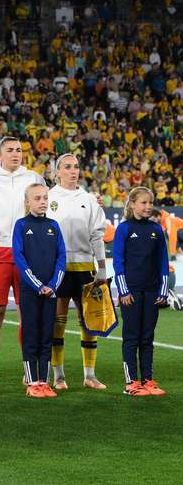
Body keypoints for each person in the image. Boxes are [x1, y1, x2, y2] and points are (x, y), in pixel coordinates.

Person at [0, 137, 45, 389]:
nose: (15, 154)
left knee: (28, 312)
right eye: (10, 150)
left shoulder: (34, 179)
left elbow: (47, 207)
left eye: (19, 150)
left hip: (29, 250)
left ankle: (29, 370)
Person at [47, 154, 108, 390]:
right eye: (67, 167)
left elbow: (97, 235)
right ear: (57, 172)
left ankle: (89, 375)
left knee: (88, 321)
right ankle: (59, 376)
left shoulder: (89, 199)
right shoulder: (48, 197)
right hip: (59, 268)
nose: (73, 171)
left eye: (76, 167)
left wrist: (101, 268)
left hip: (85, 267)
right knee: (58, 322)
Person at [113, 187, 169, 396]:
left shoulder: (156, 229)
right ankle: (131, 382)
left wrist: (162, 291)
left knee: (147, 337)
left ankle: (147, 380)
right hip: (132, 292)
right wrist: (124, 290)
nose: (147, 207)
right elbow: (119, 262)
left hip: (152, 291)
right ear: (133, 204)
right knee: (132, 337)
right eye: (143, 203)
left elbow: (163, 261)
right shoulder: (124, 229)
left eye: (150, 203)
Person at [12, 184, 66, 399]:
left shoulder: (54, 225)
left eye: (45, 198)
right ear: (27, 202)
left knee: (47, 336)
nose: (42, 201)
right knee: (30, 335)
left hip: (50, 292)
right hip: (29, 291)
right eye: (37, 198)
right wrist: (37, 285)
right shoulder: (21, 225)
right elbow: (19, 257)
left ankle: (44, 381)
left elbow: (62, 258)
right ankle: (32, 381)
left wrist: (52, 286)